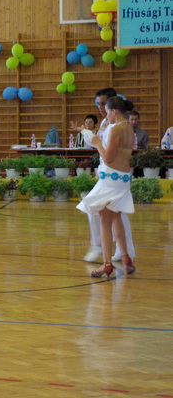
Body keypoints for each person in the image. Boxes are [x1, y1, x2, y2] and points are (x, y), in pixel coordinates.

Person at [77, 96, 136, 277]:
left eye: (108, 112)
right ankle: (126, 257)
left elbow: (108, 158)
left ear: (114, 111)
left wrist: (96, 142)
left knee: (104, 220)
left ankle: (107, 264)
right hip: (122, 178)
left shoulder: (116, 129)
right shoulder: (129, 128)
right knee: (116, 216)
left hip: (110, 178)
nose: (106, 115)